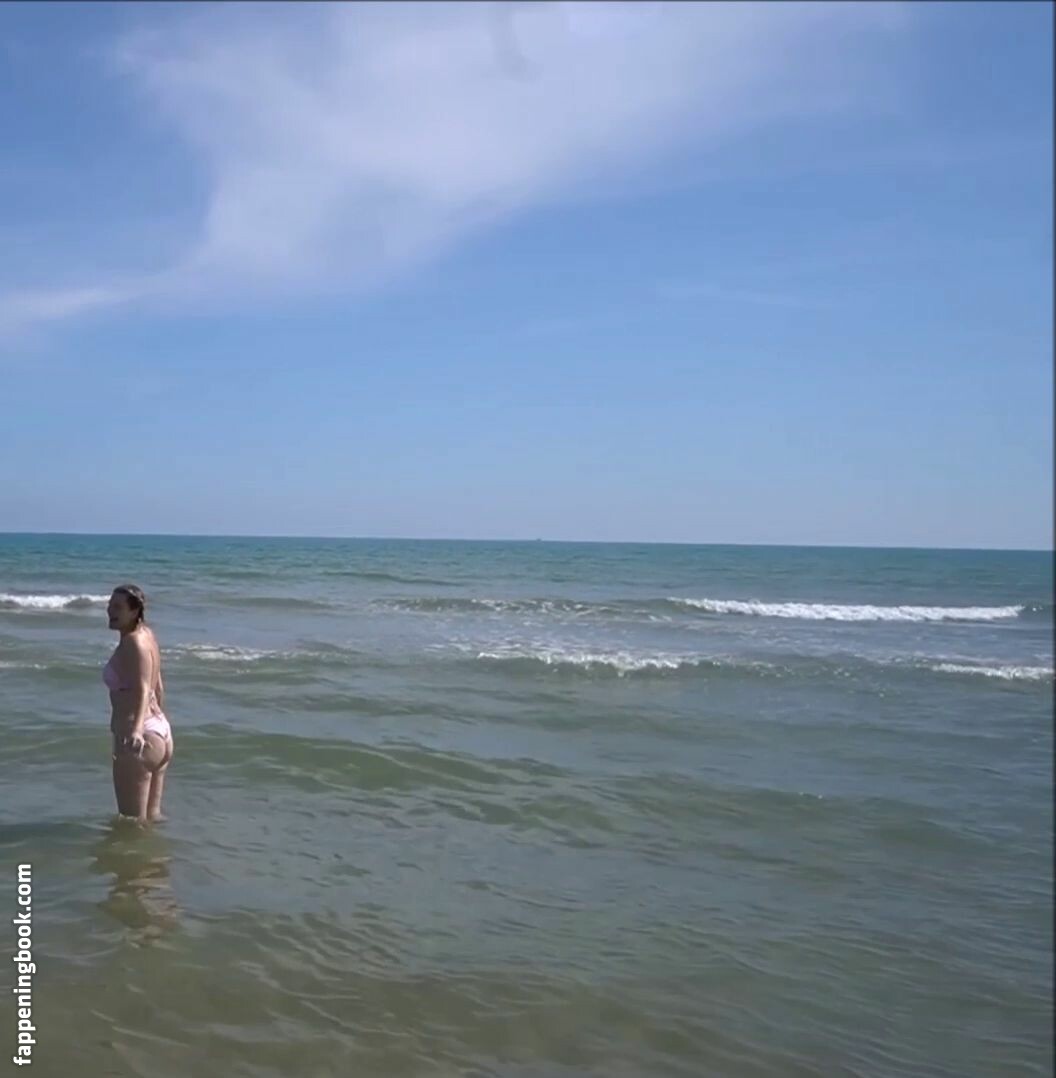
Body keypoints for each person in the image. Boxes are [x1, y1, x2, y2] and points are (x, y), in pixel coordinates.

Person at [104, 585, 174, 821]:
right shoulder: (147, 636)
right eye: (109, 605)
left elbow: (144, 689)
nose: (110, 611)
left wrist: (136, 730)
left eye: (118, 607)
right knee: (152, 819)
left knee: (130, 822)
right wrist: (160, 725)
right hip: (158, 732)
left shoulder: (133, 642)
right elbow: (158, 686)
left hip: (138, 738)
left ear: (134, 612)